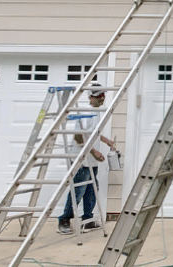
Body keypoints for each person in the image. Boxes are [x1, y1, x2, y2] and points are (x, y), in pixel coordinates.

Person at [58, 84, 116, 234]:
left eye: (103, 95)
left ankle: (88, 221)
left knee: (92, 190)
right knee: (78, 191)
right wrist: (94, 152)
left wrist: (106, 141)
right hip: (81, 159)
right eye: (98, 96)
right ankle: (64, 220)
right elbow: (79, 137)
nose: (102, 98)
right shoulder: (85, 112)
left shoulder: (97, 112)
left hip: (90, 160)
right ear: (90, 97)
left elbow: (93, 132)